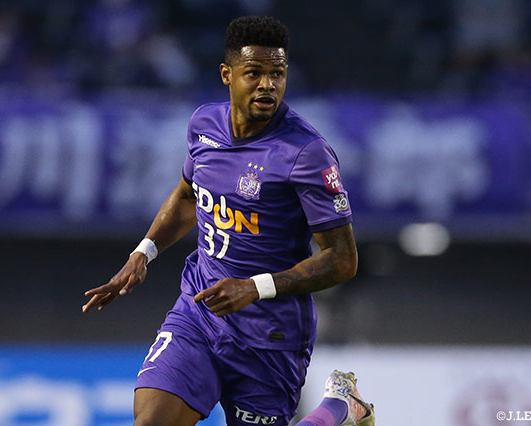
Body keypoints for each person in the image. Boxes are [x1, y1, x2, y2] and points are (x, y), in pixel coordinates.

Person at [82, 15, 373, 426]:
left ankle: (341, 406)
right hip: (199, 314)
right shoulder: (204, 125)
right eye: (254, 73)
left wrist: (255, 287)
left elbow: (342, 260)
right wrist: (143, 253)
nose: (267, 85)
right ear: (227, 75)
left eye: (277, 74)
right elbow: (188, 196)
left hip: (270, 334)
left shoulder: (306, 153)